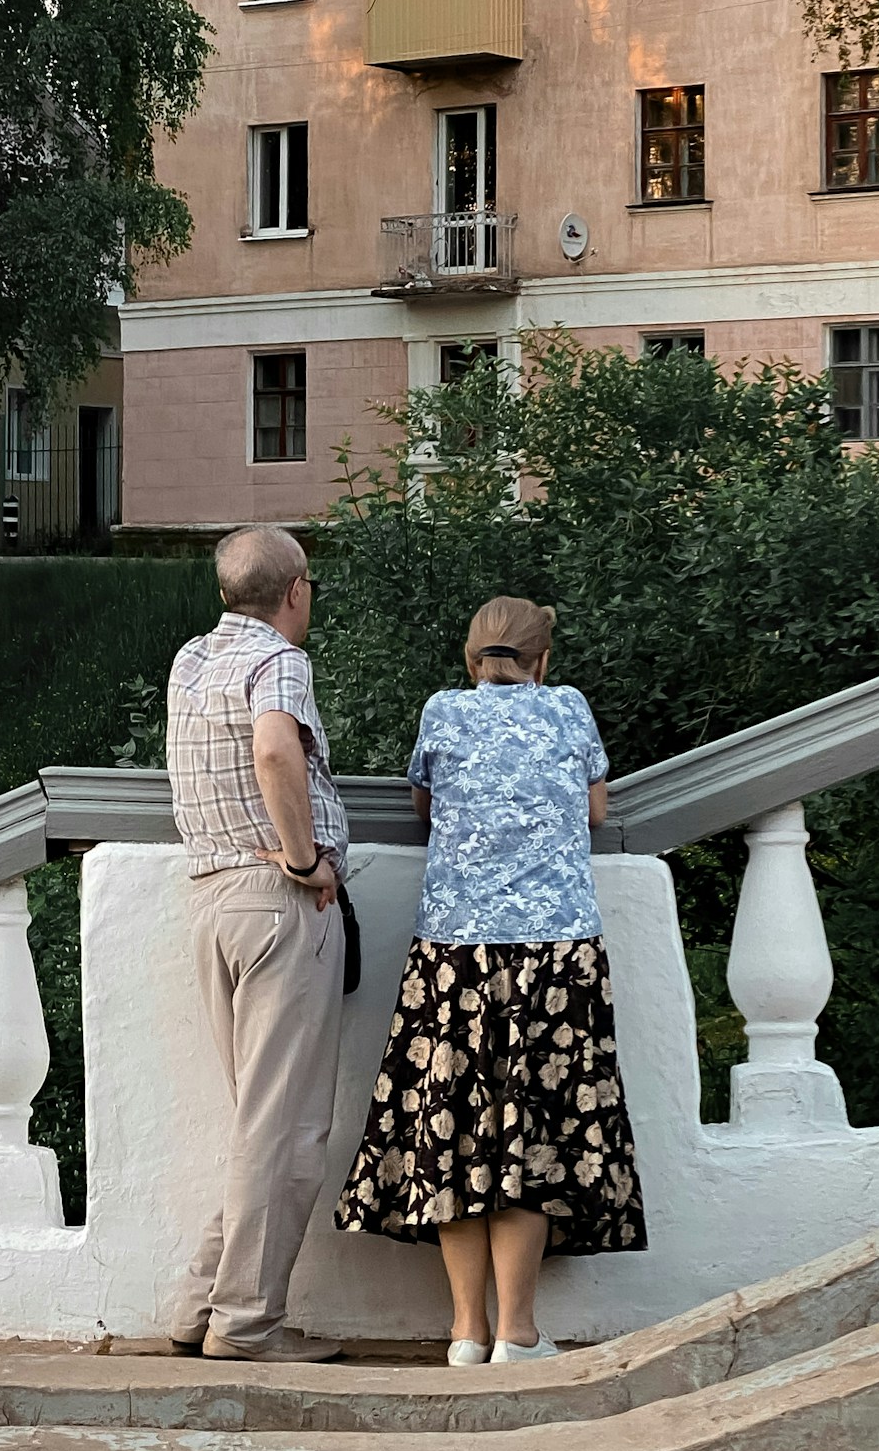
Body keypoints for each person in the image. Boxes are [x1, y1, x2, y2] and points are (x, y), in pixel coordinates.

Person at [336, 596, 645, 1365]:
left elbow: (425, 803)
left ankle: (466, 1332)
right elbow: (596, 810)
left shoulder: (442, 712)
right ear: (543, 658)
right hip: (555, 954)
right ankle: (519, 1333)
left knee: (456, 1131)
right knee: (532, 1136)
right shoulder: (568, 709)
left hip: (454, 957)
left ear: (471, 659)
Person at [165, 525, 347, 1362]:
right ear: (296, 589)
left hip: (212, 901)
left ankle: (198, 1309)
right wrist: (304, 859)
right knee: (288, 1130)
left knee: (258, 1123)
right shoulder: (280, 660)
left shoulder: (190, 660)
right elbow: (274, 748)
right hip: (276, 903)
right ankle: (244, 1328)